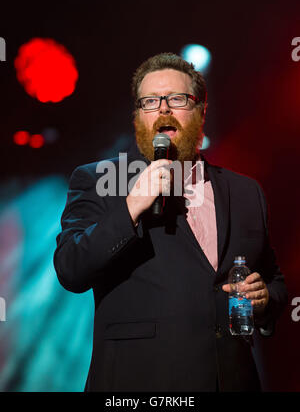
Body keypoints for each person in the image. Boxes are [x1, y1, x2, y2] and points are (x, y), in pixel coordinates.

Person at [53, 52, 288, 392]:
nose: (163, 109)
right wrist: (131, 205)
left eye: (177, 99)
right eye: (150, 101)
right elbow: (71, 268)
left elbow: (274, 279)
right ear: (138, 117)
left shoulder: (245, 191)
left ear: (202, 110)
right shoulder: (99, 180)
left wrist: (266, 300)